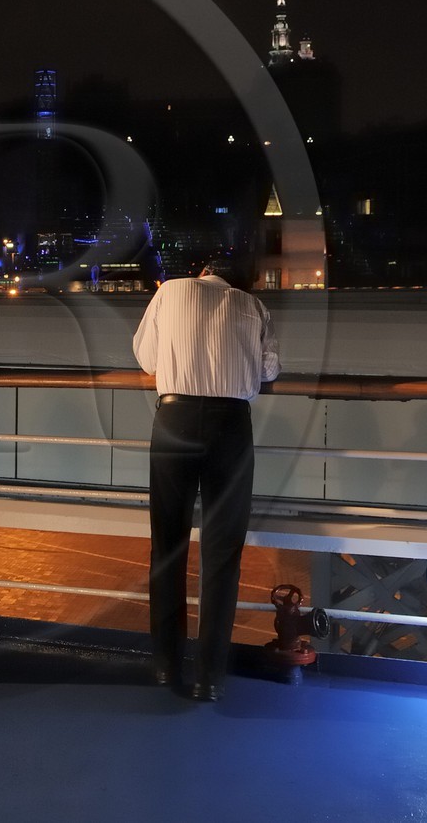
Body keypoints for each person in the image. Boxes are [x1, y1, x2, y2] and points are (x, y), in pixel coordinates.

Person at [132, 256, 279, 702]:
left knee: (168, 543)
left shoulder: (170, 291)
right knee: (222, 553)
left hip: (174, 418)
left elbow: (146, 359)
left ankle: (164, 666)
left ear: (203, 273)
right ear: (238, 281)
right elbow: (269, 369)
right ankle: (209, 676)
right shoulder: (253, 306)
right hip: (231, 425)